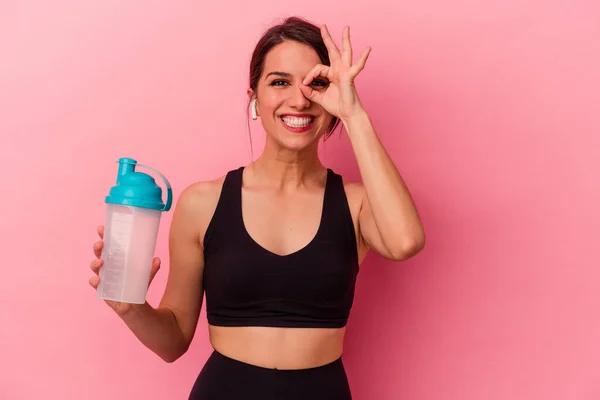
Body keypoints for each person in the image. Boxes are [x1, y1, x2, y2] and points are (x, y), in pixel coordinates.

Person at [89, 16, 425, 400]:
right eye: (279, 82)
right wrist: (130, 307)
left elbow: (405, 242)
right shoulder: (203, 202)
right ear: (254, 98)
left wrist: (353, 114)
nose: (299, 100)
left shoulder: (356, 203)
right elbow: (173, 342)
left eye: (315, 84)